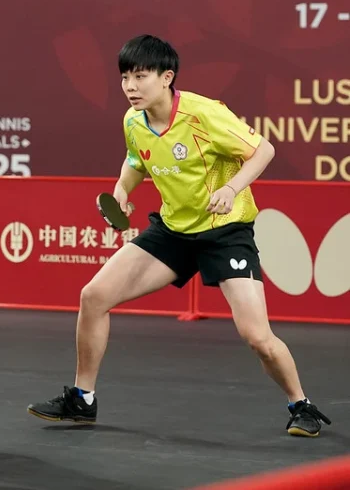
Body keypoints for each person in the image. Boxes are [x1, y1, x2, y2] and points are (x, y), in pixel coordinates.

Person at [26, 34, 332, 437]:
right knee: (93, 296)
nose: (130, 86)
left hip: (225, 232)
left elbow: (264, 150)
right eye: (125, 77)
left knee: (257, 337)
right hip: (173, 230)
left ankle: (301, 405)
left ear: (167, 77)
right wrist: (122, 190)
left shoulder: (204, 114)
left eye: (141, 76)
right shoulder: (133, 121)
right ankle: (82, 400)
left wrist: (231, 189)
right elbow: (136, 160)